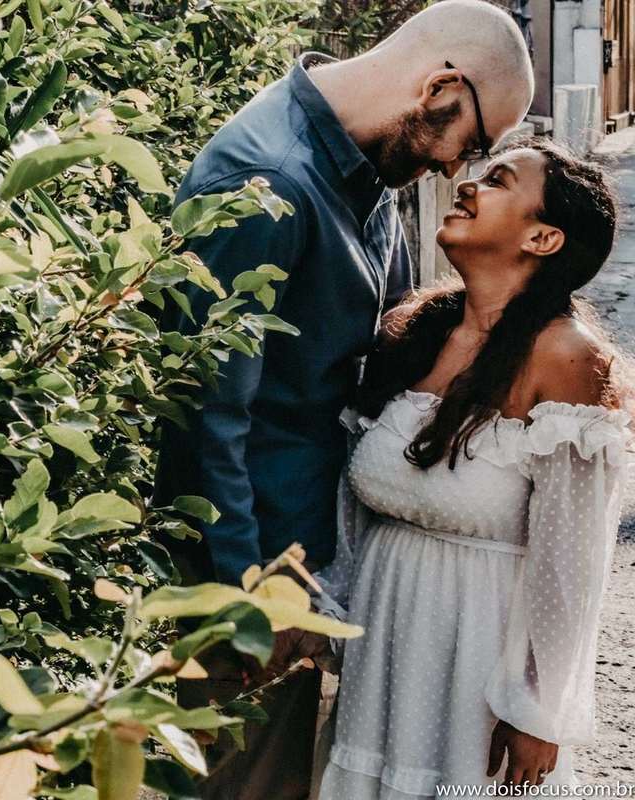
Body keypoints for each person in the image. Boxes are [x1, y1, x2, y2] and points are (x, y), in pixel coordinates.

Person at [154, 2, 534, 797]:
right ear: (438, 87)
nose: (454, 171)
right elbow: (203, 416)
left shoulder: (367, 169)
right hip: (254, 575)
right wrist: (249, 596)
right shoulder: (266, 181)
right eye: (474, 143)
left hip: (322, 559)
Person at [313, 139, 633, 797]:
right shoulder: (414, 331)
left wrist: (539, 710)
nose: (467, 185)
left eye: (498, 181)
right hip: (386, 652)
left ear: (543, 237)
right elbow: (352, 508)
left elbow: (571, 561)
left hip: (482, 664)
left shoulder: (569, 358)